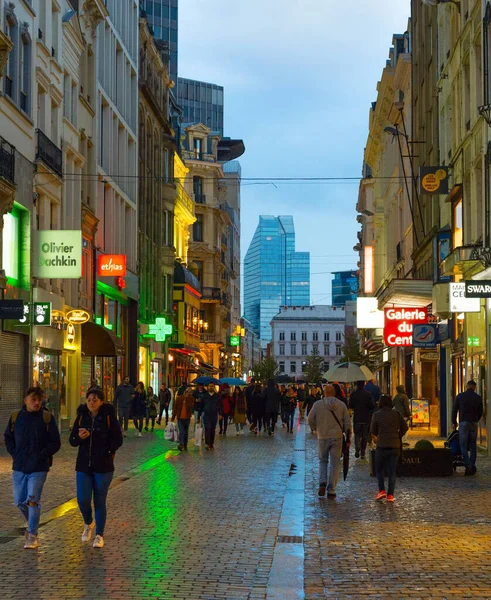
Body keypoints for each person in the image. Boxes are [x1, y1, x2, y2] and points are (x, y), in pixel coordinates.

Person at [4, 387, 61, 550]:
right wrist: (14, 452)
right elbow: (8, 437)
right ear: (25, 400)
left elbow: (55, 442)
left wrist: (43, 454)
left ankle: (32, 534)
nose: (37, 403)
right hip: (19, 466)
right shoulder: (16, 418)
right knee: (19, 501)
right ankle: (32, 523)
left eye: (39, 400)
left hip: (39, 467)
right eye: (33, 399)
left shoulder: (47, 418)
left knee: (32, 500)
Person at [69, 389, 122, 548]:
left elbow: (118, 439)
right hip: (84, 465)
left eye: (95, 399)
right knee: (83, 500)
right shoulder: (81, 417)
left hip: (103, 466)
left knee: (99, 500)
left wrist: (107, 450)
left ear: (102, 401)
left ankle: (99, 534)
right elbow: (72, 441)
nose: (92, 402)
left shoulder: (108, 418)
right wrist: (80, 437)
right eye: (89, 399)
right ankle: (88, 522)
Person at [308, 384, 351, 499]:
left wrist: (315, 428)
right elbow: (347, 423)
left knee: (323, 461)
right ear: (335, 393)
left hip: (322, 436)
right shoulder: (341, 405)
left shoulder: (317, 404)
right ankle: (331, 490)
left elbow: (310, 418)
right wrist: (348, 437)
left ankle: (322, 482)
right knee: (334, 463)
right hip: (337, 436)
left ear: (324, 393)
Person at [371, 395, 408, 502]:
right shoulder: (396, 414)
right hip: (394, 446)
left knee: (379, 470)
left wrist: (377, 436)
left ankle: (381, 490)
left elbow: (373, 431)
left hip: (381, 446)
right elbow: (405, 427)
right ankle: (390, 495)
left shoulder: (376, 415)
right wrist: (398, 435)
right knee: (392, 471)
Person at [452, 380, 483, 475]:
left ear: (466, 386)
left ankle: (468, 466)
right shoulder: (478, 397)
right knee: (473, 445)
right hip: (474, 422)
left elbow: (454, 409)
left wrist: (454, 422)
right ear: (474, 387)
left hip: (463, 422)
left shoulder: (460, 396)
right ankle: (472, 465)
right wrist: (476, 419)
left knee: (463, 445)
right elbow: (481, 411)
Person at [349, 380, 375, 459]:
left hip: (357, 418)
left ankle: (357, 447)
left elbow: (350, 405)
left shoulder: (353, 394)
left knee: (357, 434)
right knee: (365, 436)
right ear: (364, 384)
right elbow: (372, 405)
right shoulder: (368, 394)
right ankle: (363, 452)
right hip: (365, 418)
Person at [198, 383, 221, 449]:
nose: (211, 387)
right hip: (206, 415)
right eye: (210, 386)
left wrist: (220, 414)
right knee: (208, 428)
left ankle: (211, 443)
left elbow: (220, 406)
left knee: (212, 429)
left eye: (212, 386)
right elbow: (201, 406)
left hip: (214, 415)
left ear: (214, 387)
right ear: (208, 387)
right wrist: (198, 417)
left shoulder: (217, 396)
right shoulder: (204, 396)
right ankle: (207, 443)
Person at [172, 386, 195, 451]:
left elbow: (191, 406)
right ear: (184, 392)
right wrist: (173, 417)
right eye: (186, 392)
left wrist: (187, 399)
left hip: (187, 418)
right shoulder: (179, 398)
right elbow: (175, 408)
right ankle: (181, 444)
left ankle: (185, 444)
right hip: (180, 418)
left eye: (189, 392)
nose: (187, 393)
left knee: (186, 432)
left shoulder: (191, 399)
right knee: (182, 431)